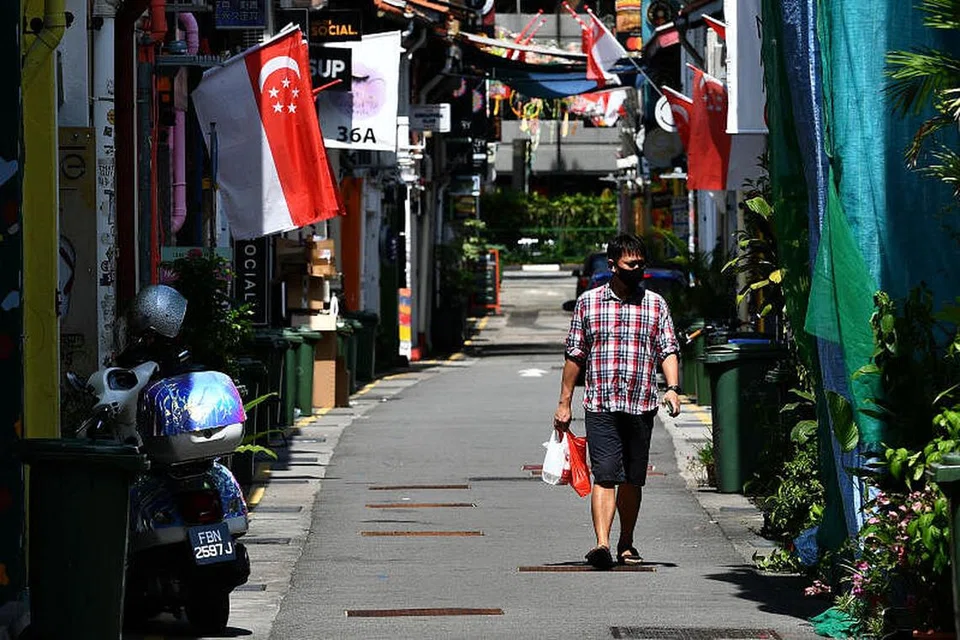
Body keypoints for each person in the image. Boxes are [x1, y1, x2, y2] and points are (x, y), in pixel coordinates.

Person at [554, 233, 681, 569]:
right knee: (606, 473)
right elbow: (575, 355)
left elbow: (667, 349)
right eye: (630, 264)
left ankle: (626, 541)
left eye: (640, 264)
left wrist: (673, 387)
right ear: (613, 265)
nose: (636, 269)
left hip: (640, 404)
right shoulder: (588, 303)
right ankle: (602, 544)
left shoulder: (655, 305)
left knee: (632, 479)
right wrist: (565, 403)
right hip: (601, 404)